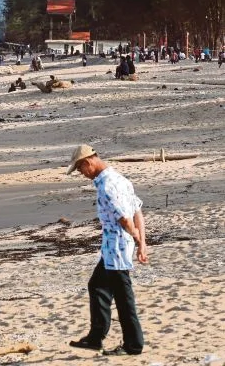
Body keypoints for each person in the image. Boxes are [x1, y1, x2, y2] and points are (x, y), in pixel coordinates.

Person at [67, 144, 147, 356]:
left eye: (80, 169)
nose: (81, 174)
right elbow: (138, 211)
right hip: (112, 248)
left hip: (117, 248)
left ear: (88, 162)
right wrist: (142, 244)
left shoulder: (108, 185)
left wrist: (136, 236)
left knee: (123, 296)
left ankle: (133, 345)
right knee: (97, 285)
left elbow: (126, 218)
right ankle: (95, 337)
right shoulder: (120, 179)